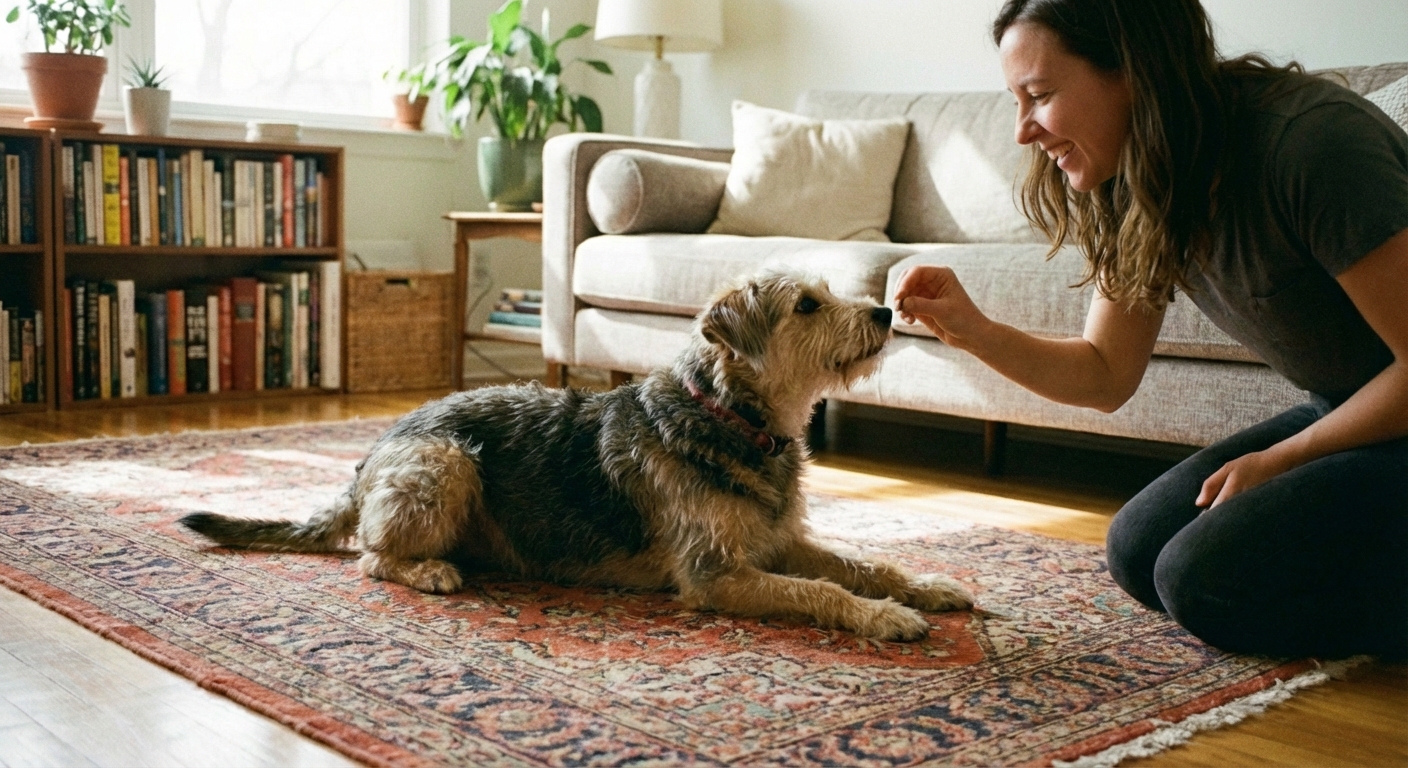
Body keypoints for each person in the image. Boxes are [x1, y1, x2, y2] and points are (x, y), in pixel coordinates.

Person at [893, 0, 1408, 659]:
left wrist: (1285, 458)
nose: (1023, 131)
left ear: (1134, 72)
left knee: (1201, 579)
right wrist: (973, 331)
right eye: (1015, 101)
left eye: (1040, 96)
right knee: (1138, 550)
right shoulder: (1135, 174)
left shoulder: (1310, 145)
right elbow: (1105, 373)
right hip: (1356, 414)